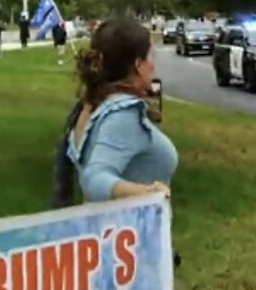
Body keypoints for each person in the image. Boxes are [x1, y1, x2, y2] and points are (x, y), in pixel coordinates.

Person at [62, 17, 176, 204]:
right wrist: (148, 193)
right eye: (150, 56)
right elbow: (94, 179)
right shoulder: (124, 113)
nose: (154, 65)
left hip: (105, 228)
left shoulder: (90, 104)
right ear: (138, 64)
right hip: (129, 229)